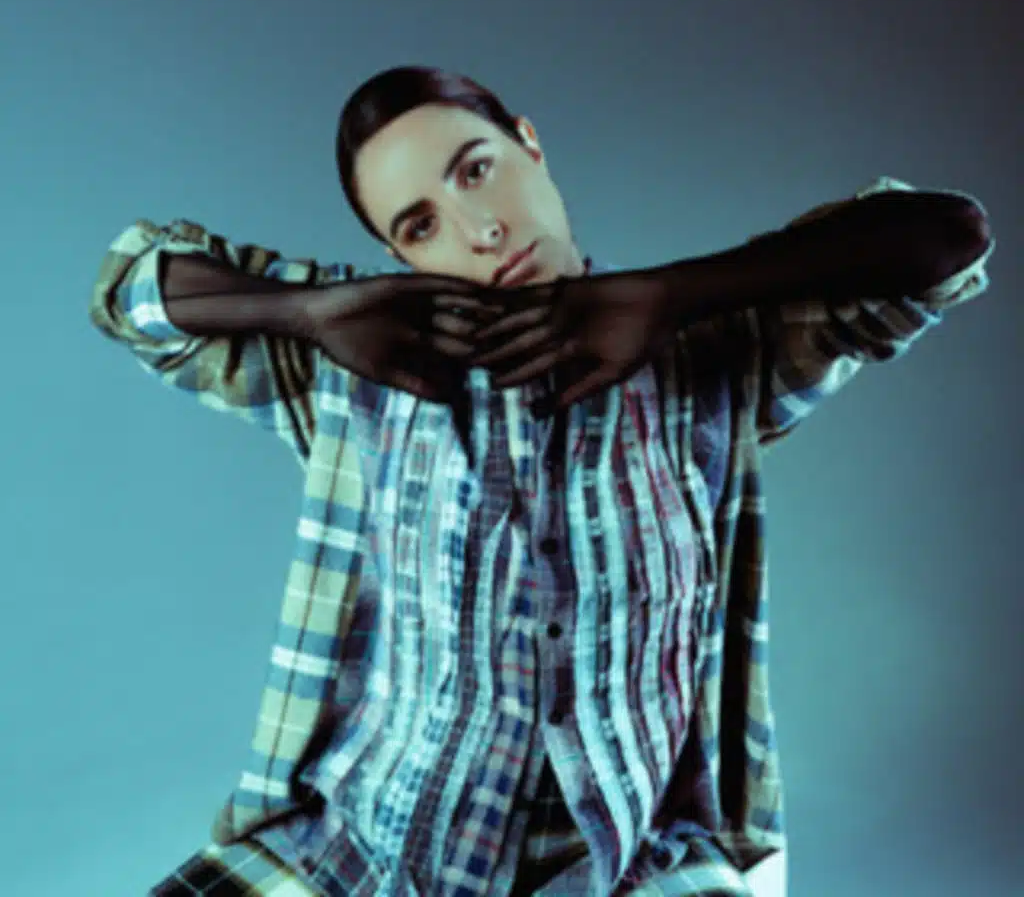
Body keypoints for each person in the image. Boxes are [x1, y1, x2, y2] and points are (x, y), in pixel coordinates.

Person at [89, 66, 994, 897]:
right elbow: (128, 288)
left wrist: (670, 295)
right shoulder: (359, 357)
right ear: (401, 256)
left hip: (630, 860)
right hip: (364, 850)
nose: (479, 230)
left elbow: (949, 237)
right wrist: (309, 311)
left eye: (476, 170)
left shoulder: (713, 351)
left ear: (530, 143)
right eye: (419, 225)